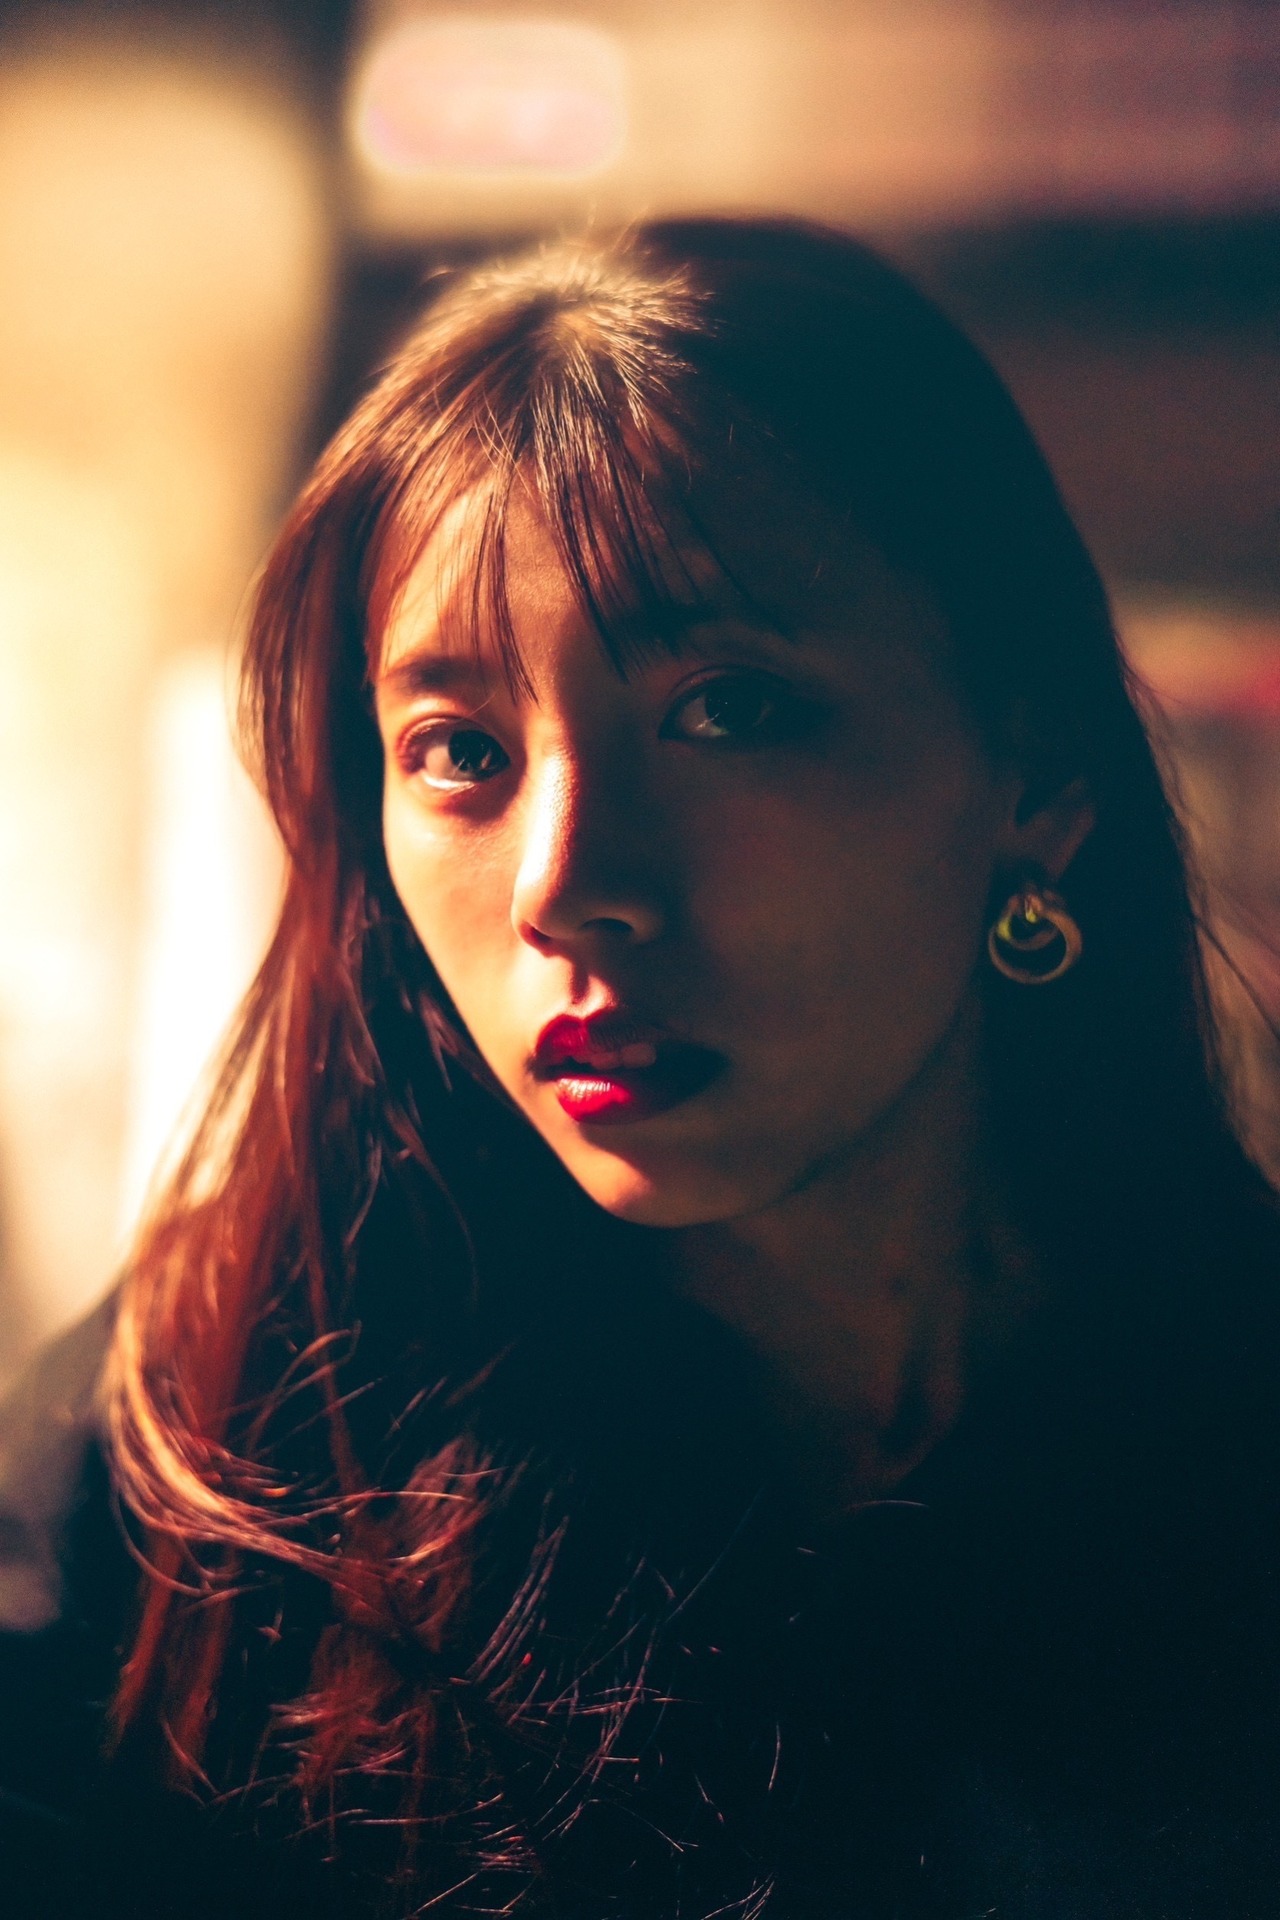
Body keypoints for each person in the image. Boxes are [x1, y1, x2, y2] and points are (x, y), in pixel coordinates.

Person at [3, 216, 1280, 1920]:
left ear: (1035, 778)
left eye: (729, 710)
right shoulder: (200, 1449)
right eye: (457, 750)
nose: (562, 881)